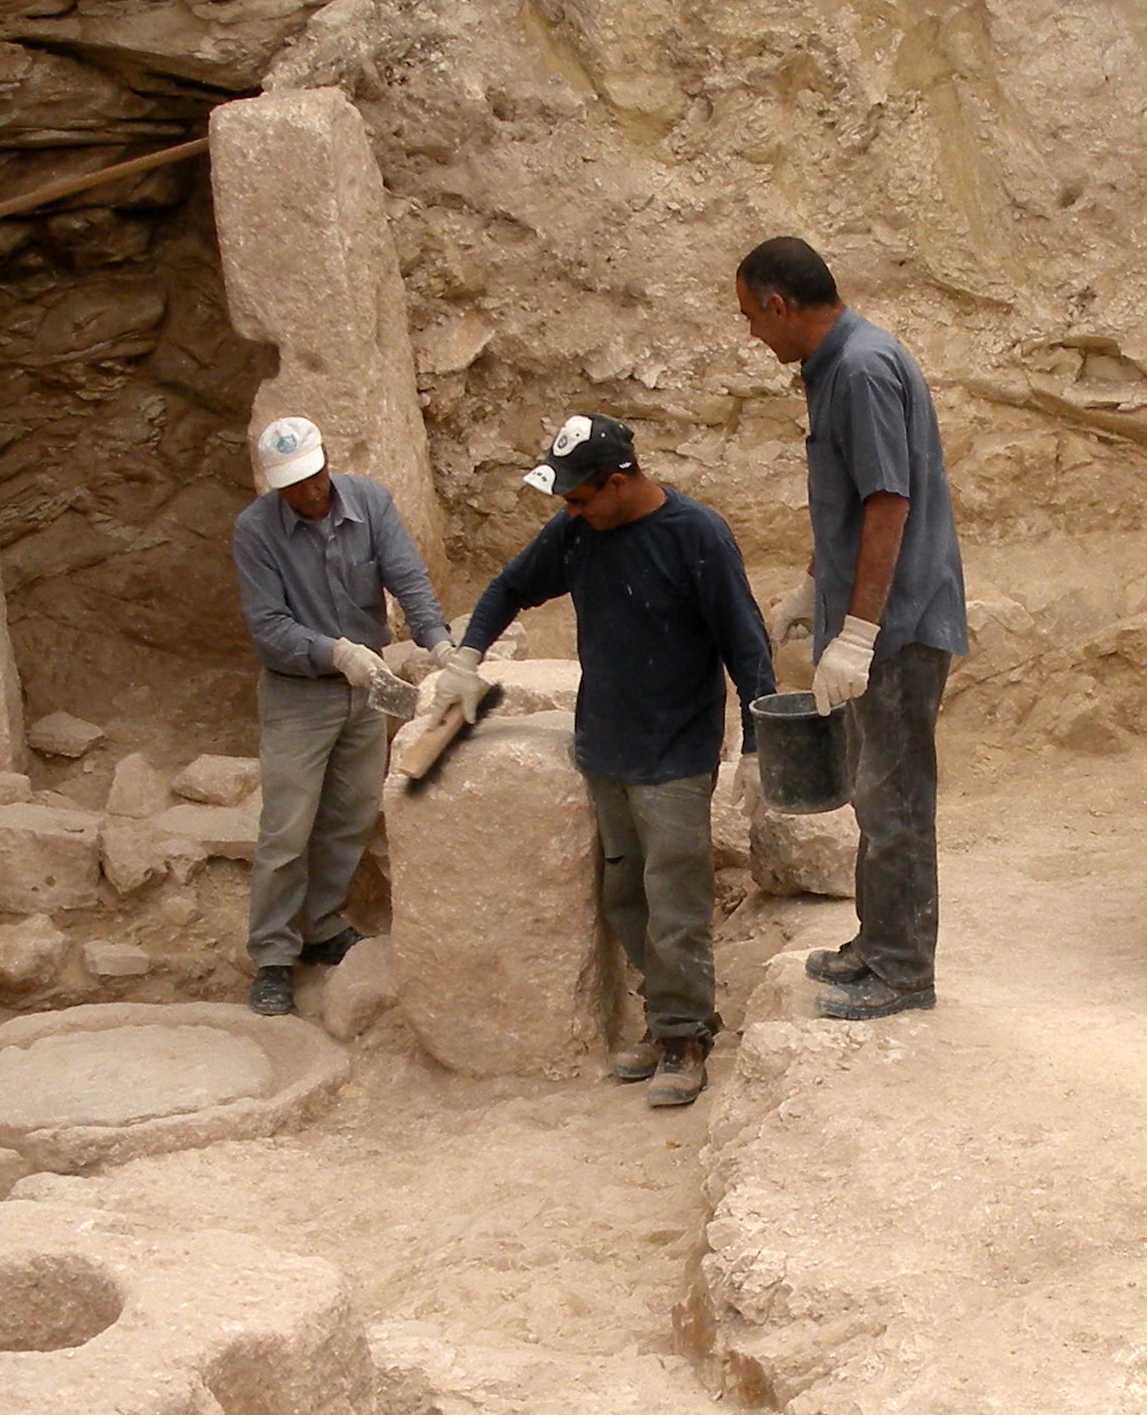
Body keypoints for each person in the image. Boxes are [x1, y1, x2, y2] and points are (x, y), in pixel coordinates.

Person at [430, 416, 775, 1106]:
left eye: (581, 498)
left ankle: (682, 1040)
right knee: (626, 896)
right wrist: (467, 657)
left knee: (675, 901)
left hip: (676, 749)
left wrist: (761, 747)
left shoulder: (695, 536)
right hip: (605, 744)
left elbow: (746, 640)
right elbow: (508, 587)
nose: (571, 512)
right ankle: (671, 1013)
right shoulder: (579, 531)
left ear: (618, 483)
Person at [733, 235, 969, 1020]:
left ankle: (904, 972)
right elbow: (846, 500)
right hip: (879, 619)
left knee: (894, 798)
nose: (751, 334)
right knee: (875, 792)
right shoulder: (834, 366)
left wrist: (861, 630)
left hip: (899, 626)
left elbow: (887, 503)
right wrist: (813, 583)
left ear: (779, 305)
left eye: (751, 317)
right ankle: (878, 943)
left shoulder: (862, 369)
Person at [231, 413, 451, 1018]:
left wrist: (439, 643)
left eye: (316, 476)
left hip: (366, 688)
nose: (311, 492)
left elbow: (408, 578)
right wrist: (333, 652)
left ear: (327, 459)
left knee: (351, 815)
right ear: (276, 486)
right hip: (298, 692)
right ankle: (274, 954)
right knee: (286, 829)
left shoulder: (370, 503)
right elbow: (269, 628)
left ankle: (322, 927)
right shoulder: (255, 533)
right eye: (295, 486)